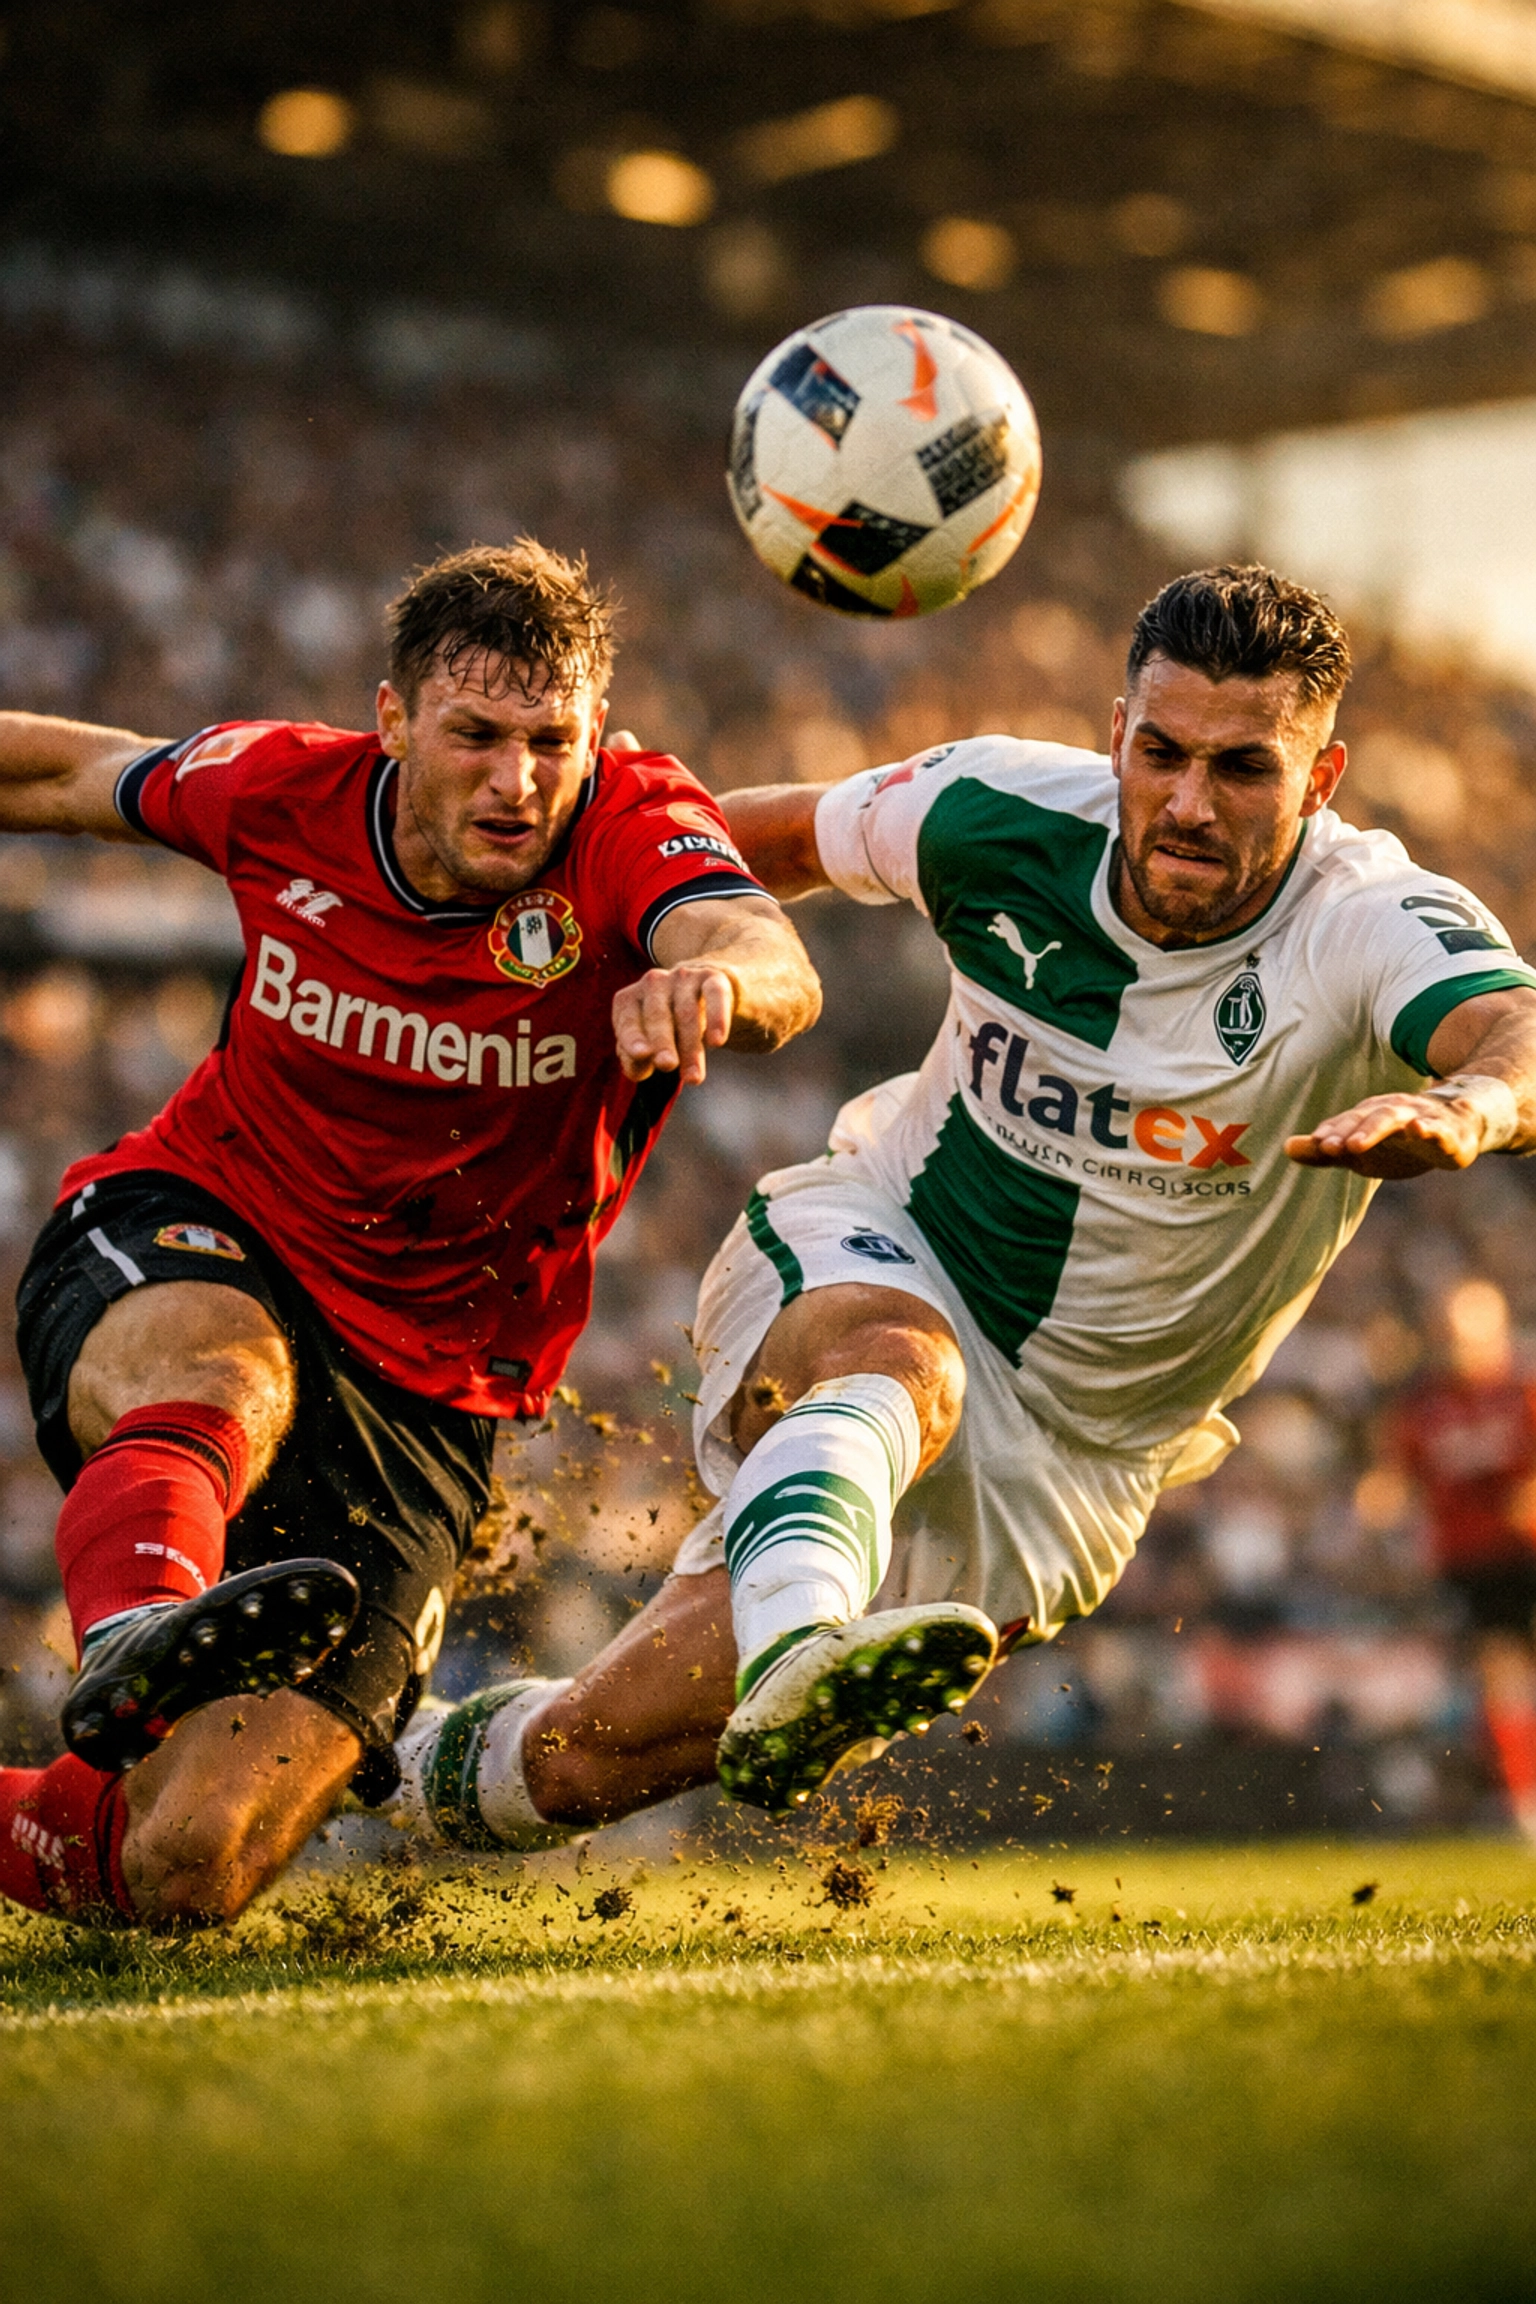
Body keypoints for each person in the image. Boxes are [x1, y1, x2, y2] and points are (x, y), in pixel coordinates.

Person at [390, 562, 1536, 1852]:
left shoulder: (1367, 921)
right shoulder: (994, 808)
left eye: (1244, 769)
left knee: (576, 1765)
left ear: (1320, 780)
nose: (1187, 803)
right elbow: (749, 839)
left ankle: (390, 1771)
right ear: (1116, 732)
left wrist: (1470, 1108)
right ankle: (803, 1645)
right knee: (903, 1363)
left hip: (1076, 1464)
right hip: (890, 1243)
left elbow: (1516, 1028)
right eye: (1159, 752)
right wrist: (550, 896)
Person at [0, 540, 821, 1924]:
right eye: (477, 736)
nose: (518, 781)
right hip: (205, 1225)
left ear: (596, 738)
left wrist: (716, 988)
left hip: (431, 1392)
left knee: (181, 1867)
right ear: (392, 723)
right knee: (226, 1375)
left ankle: (89, 1778)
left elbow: (763, 946)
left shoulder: (628, 824)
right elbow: (69, 774)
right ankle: (139, 1618)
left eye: (551, 741)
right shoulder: (281, 788)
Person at [1393, 1277, 1536, 1841]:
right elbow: (1402, 1476)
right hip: (1474, 1558)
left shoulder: (1523, 1390)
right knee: (1500, 1674)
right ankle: (1523, 1797)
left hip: (1526, 1546)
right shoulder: (1425, 1405)